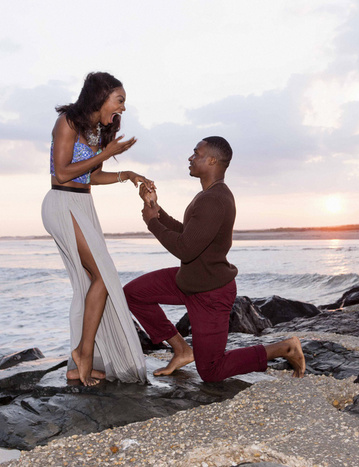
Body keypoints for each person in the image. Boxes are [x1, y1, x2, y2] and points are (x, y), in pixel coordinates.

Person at [123, 136, 305, 382]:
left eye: (196, 153)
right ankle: (181, 350)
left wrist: (151, 223)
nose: (190, 157)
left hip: (210, 293)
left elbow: (185, 249)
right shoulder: (208, 195)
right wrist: (154, 206)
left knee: (211, 371)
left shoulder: (214, 200)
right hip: (187, 279)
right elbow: (189, 234)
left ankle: (285, 348)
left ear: (211, 160)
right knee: (134, 293)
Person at [41, 72, 150, 386]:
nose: (123, 108)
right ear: (101, 97)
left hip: (82, 204)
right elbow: (62, 174)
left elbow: (90, 176)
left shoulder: (98, 132)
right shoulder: (67, 124)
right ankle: (83, 352)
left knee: (90, 284)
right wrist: (106, 155)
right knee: (102, 276)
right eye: (120, 100)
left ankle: (80, 363)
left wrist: (126, 174)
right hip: (62, 203)